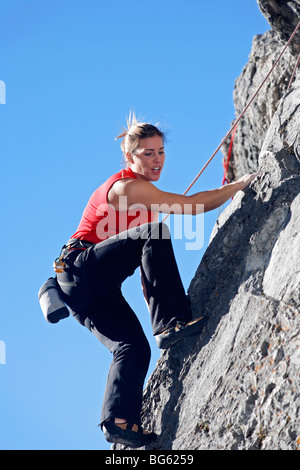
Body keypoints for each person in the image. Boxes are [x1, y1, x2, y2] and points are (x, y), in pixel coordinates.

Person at [56, 112, 257, 448]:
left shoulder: (143, 201)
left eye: (161, 151)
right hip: (81, 269)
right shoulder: (128, 187)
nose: (157, 159)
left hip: (85, 290)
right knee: (156, 232)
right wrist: (235, 188)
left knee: (132, 348)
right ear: (129, 156)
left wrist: (157, 299)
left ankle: (119, 424)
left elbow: (147, 269)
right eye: (147, 153)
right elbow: (190, 206)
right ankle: (171, 322)